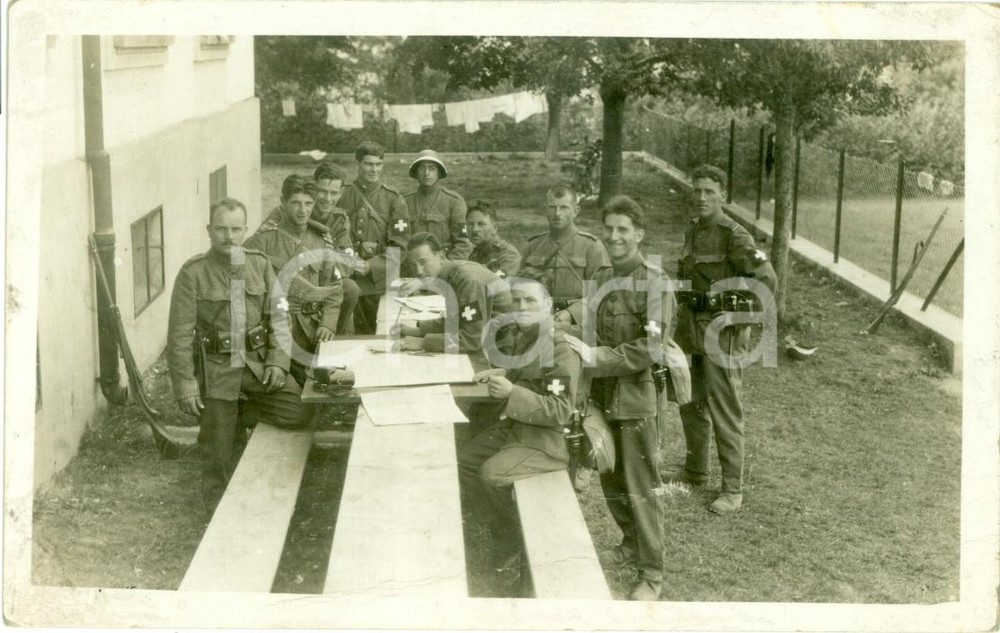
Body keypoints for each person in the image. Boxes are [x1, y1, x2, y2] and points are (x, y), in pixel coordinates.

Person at [562, 195, 685, 601]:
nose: (614, 237)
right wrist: (565, 336)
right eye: (609, 229)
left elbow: (650, 348)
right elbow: (595, 331)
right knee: (611, 476)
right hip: (601, 392)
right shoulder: (601, 277)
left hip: (636, 398)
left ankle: (651, 575)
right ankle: (631, 543)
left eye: (623, 230)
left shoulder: (655, 282)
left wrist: (594, 356)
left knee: (641, 487)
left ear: (639, 235)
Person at [167, 198, 310, 513]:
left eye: (235, 229)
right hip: (218, 371)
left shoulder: (259, 263)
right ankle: (218, 508)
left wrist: (277, 361)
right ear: (209, 230)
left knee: (298, 411)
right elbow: (178, 336)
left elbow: (281, 318)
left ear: (246, 230)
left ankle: (240, 413)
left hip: (256, 365)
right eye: (221, 229)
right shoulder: (193, 273)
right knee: (218, 453)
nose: (228, 237)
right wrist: (186, 385)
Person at [457, 279, 584, 572]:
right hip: (520, 425)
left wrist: (511, 393)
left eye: (530, 301)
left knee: (491, 474)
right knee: (464, 461)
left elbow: (560, 410)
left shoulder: (559, 350)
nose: (522, 308)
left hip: (549, 438)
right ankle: (497, 520)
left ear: (549, 307)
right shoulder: (528, 336)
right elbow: (528, 376)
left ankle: (511, 535)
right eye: (517, 302)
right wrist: (503, 374)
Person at [672, 165, 776, 515]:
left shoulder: (736, 235)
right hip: (690, 329)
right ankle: (696, 470)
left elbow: (767, 280)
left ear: (723, 196)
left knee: (724, 408)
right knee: (689, 399)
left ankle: (733, 489)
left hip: (721, 334)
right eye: (697, 190)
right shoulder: (694, 230)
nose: (701, 197)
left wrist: (735, 316)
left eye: (709, 192)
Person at [244, 175, 344, 387]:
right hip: (278, 328)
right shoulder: (262, 241)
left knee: (323, 385)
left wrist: (327, 323)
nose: (303, 210)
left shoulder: (321, 240)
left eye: (309, 204)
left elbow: (334, 288)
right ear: (283, 202)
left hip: (312, 327)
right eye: (296, 203)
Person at [336, 141, 411, 333]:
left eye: (378, 164)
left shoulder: (393, 199)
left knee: (370, 333)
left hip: (374, 281)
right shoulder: (341, 195)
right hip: (343, 274)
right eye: (369, 164)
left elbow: (399, 246)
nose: (374, 169)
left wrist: (371, 265)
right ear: (357, 164)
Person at [393, 232, 500, 356]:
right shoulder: (449, 276)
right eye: (413, 264)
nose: (418, 271)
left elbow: (471, 340)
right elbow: (456, 321)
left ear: (442, 257)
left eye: (423, 262)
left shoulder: (467, 281)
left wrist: (423, 342)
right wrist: (416, 331)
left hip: (506, 347)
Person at [519, 184, 610, 323]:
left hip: (576, 325)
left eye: (564, 208)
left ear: (576, 211)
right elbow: (519, 288)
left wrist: (571, 313)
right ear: (545, 209)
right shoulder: (533, 246)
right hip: (535, 322)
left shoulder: (591, 246)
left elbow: (602, 294)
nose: (557, 214)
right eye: (552, 207)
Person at [310, 162, 360, 336]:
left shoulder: (339, 220)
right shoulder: (301, 209)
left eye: (333, 193)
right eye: (322, 191)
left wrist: (328, 259)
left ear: (341, 193)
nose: (327, 198)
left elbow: (347, 263)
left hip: (326, 276)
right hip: (300, 275)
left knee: (350, 288)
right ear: (314, 188)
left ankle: (335, 336)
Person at [403, 149, 472, 265]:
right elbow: (398, 241)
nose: (426, 173)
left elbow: (463, 244)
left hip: (444, 266)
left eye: (432, 168)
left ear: (439, 172)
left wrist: (446, 267)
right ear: (416, 172)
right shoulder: (403, 203)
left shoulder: (454, 202)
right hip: (412, 266)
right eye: (422, 168)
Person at [466, 199, 521, 279]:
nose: (475, 229)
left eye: (481, 224)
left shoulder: (508, 255)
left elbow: (495, 283)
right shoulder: (475, 253)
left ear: (495, 228)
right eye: (470, 224)